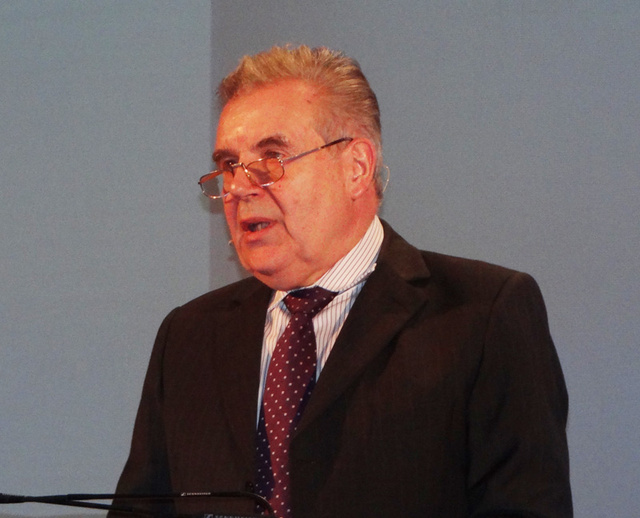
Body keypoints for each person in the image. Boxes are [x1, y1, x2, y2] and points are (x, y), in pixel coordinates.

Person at [111, 45, 572, 518]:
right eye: (229, 165)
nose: (239, 187)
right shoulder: (188, 337)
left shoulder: (483, 316)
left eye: (272, 158)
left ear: (356, 168)